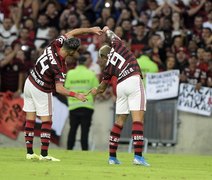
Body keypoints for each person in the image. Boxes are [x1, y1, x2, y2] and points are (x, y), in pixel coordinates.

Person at [23, 27, 102, 161]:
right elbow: (59, 89)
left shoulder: (55, 44)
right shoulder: (60, 67)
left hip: (29, 82)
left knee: (30, 119)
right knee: (47, 122)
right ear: (71, 51)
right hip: (41, 89)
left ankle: (30, 153)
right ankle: (44, 155)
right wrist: (76, 95)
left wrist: (90, 29)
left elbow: (72, 32)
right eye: (76, 51)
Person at [89, 26, 150, 166]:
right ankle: (138, 157)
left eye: (101, 58)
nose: (101, 60)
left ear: (104, 56)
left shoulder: (107, 69)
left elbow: (102, 88)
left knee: (119, 121)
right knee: (138, 119)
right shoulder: (118, 46)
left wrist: (94, 91)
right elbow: (113, 36)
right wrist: (106, 29)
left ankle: (112, 157)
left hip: (121, 87)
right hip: (133, 80)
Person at [65, 55, 99, 150]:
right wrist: (93, 100)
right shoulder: (91, 73)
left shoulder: (70, 73)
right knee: (85, 131)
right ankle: (84, 150)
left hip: (73, 106)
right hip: (87, 106)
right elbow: (95, 90)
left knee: (72, 129)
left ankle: (69, 150)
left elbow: (66, 90)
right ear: (86, 63)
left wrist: (70, 100)